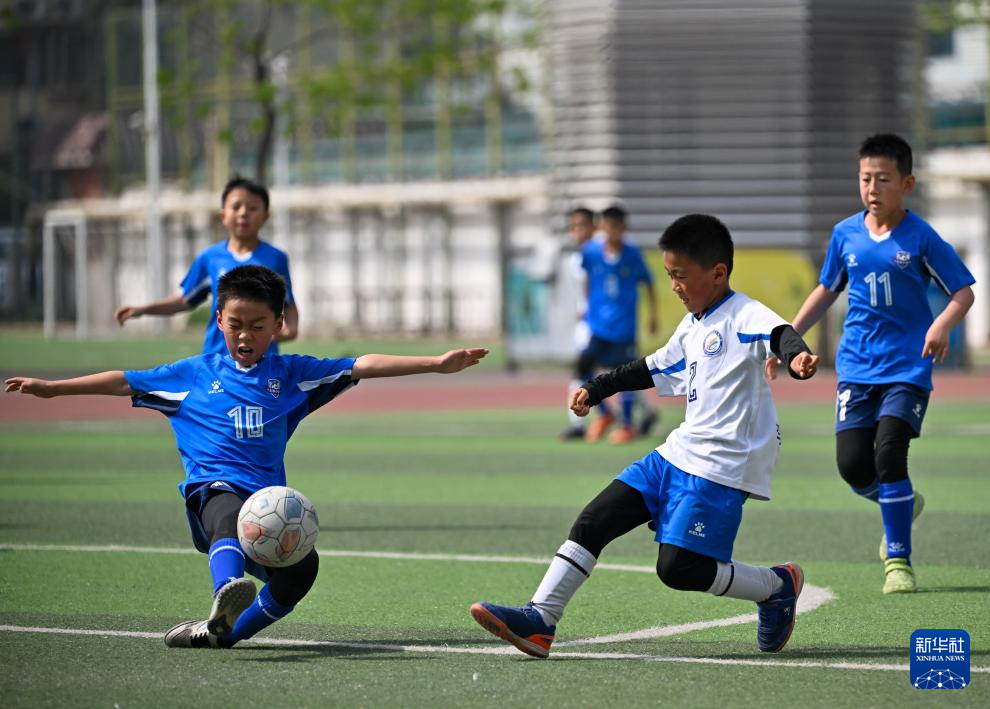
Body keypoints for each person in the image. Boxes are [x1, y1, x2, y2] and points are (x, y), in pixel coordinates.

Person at [7, 264, 488, 649]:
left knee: (303, 570)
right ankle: (227, 589)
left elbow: (361, 364)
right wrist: (54, 388)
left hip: (267, 507)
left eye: (258, 326)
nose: (245, 335)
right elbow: (123, 380)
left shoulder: (293, 374)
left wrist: (436, 363)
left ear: (278, 325)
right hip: (212, 492)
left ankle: (225, 633)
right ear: (218, 320)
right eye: (235, 325)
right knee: (226, 510)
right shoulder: (191, 374)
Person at [471, 214, 819, 657]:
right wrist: (598, 388)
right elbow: (650, 368)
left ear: (717, 273)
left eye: (680, 276)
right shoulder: (692, 326)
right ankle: (541, 619)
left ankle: (775, 585)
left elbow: (781, 334)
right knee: (594, 520)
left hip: (721, 467)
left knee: (678, 569)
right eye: (669, 275)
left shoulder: (743, 313)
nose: (674, 286)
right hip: (677, 453)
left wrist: (797, 358)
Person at [766, 134, 975, 594]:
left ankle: (898, 561)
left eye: (883, 179)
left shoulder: (921, 236)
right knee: (853, 466)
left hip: (907, 367)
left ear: (907, 184)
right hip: (857, 367)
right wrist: (787, 340)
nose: (872, 188)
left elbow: (963, 292)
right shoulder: (845, 234)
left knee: (889, 453)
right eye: (865, 179)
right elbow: (827, 289)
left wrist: (941, 325)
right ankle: (902, 504)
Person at [115, 176, 300, 355]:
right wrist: (143, 310)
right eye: (236, 207)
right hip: (217, 359)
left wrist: (290, 329)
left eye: (252, 208)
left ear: (265, 216)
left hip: (262, 359)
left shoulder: (275, 259)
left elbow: (288, 303)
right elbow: (185, 300)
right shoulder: (210, 258)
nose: (243, 213)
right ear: (223, 215)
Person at [565, 205, 659, 444]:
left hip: (624, 327)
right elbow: (588, 279)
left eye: (616, 227)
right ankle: (605, 413)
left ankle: (627, 425)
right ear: (601, 227)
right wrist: (585, 306)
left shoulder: (632, 254)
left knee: (625, 375)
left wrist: (653, 316)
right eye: (607, 227)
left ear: (624, 228)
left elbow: (649, 282)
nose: (611, 232)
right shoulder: (591, 252)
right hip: (598, 326)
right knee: (582, 368)